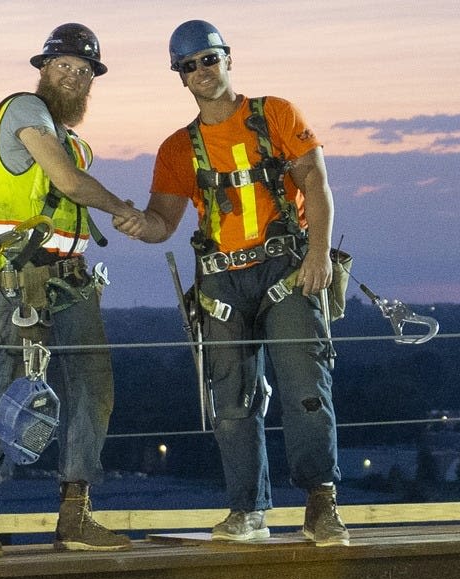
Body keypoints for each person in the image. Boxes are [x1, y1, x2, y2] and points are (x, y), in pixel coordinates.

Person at [117, 19, 348, 545]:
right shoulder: (178, 149)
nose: (201, 71)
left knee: (306, 390)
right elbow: (162, 222)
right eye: (188, 65)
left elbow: (314, 180)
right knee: (232, 404)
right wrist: (134, 222)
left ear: (227, 57)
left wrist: (319, 255)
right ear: (179, 76)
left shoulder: (275, 114)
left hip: (286, 270)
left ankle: (321, 504)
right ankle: (247, 512)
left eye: (208, 59)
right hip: (222, 284)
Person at [0, 24, 147, 559]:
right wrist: (124, 209)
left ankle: (75, 512)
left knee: (94, 386)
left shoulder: (73, 139)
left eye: (85, 71)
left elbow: (68, 188)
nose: (75, 77)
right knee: (4, 390)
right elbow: (66, 182)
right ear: (43, 68)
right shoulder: (23, 111)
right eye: (65, 66)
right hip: (19, 280)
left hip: (71, 280)